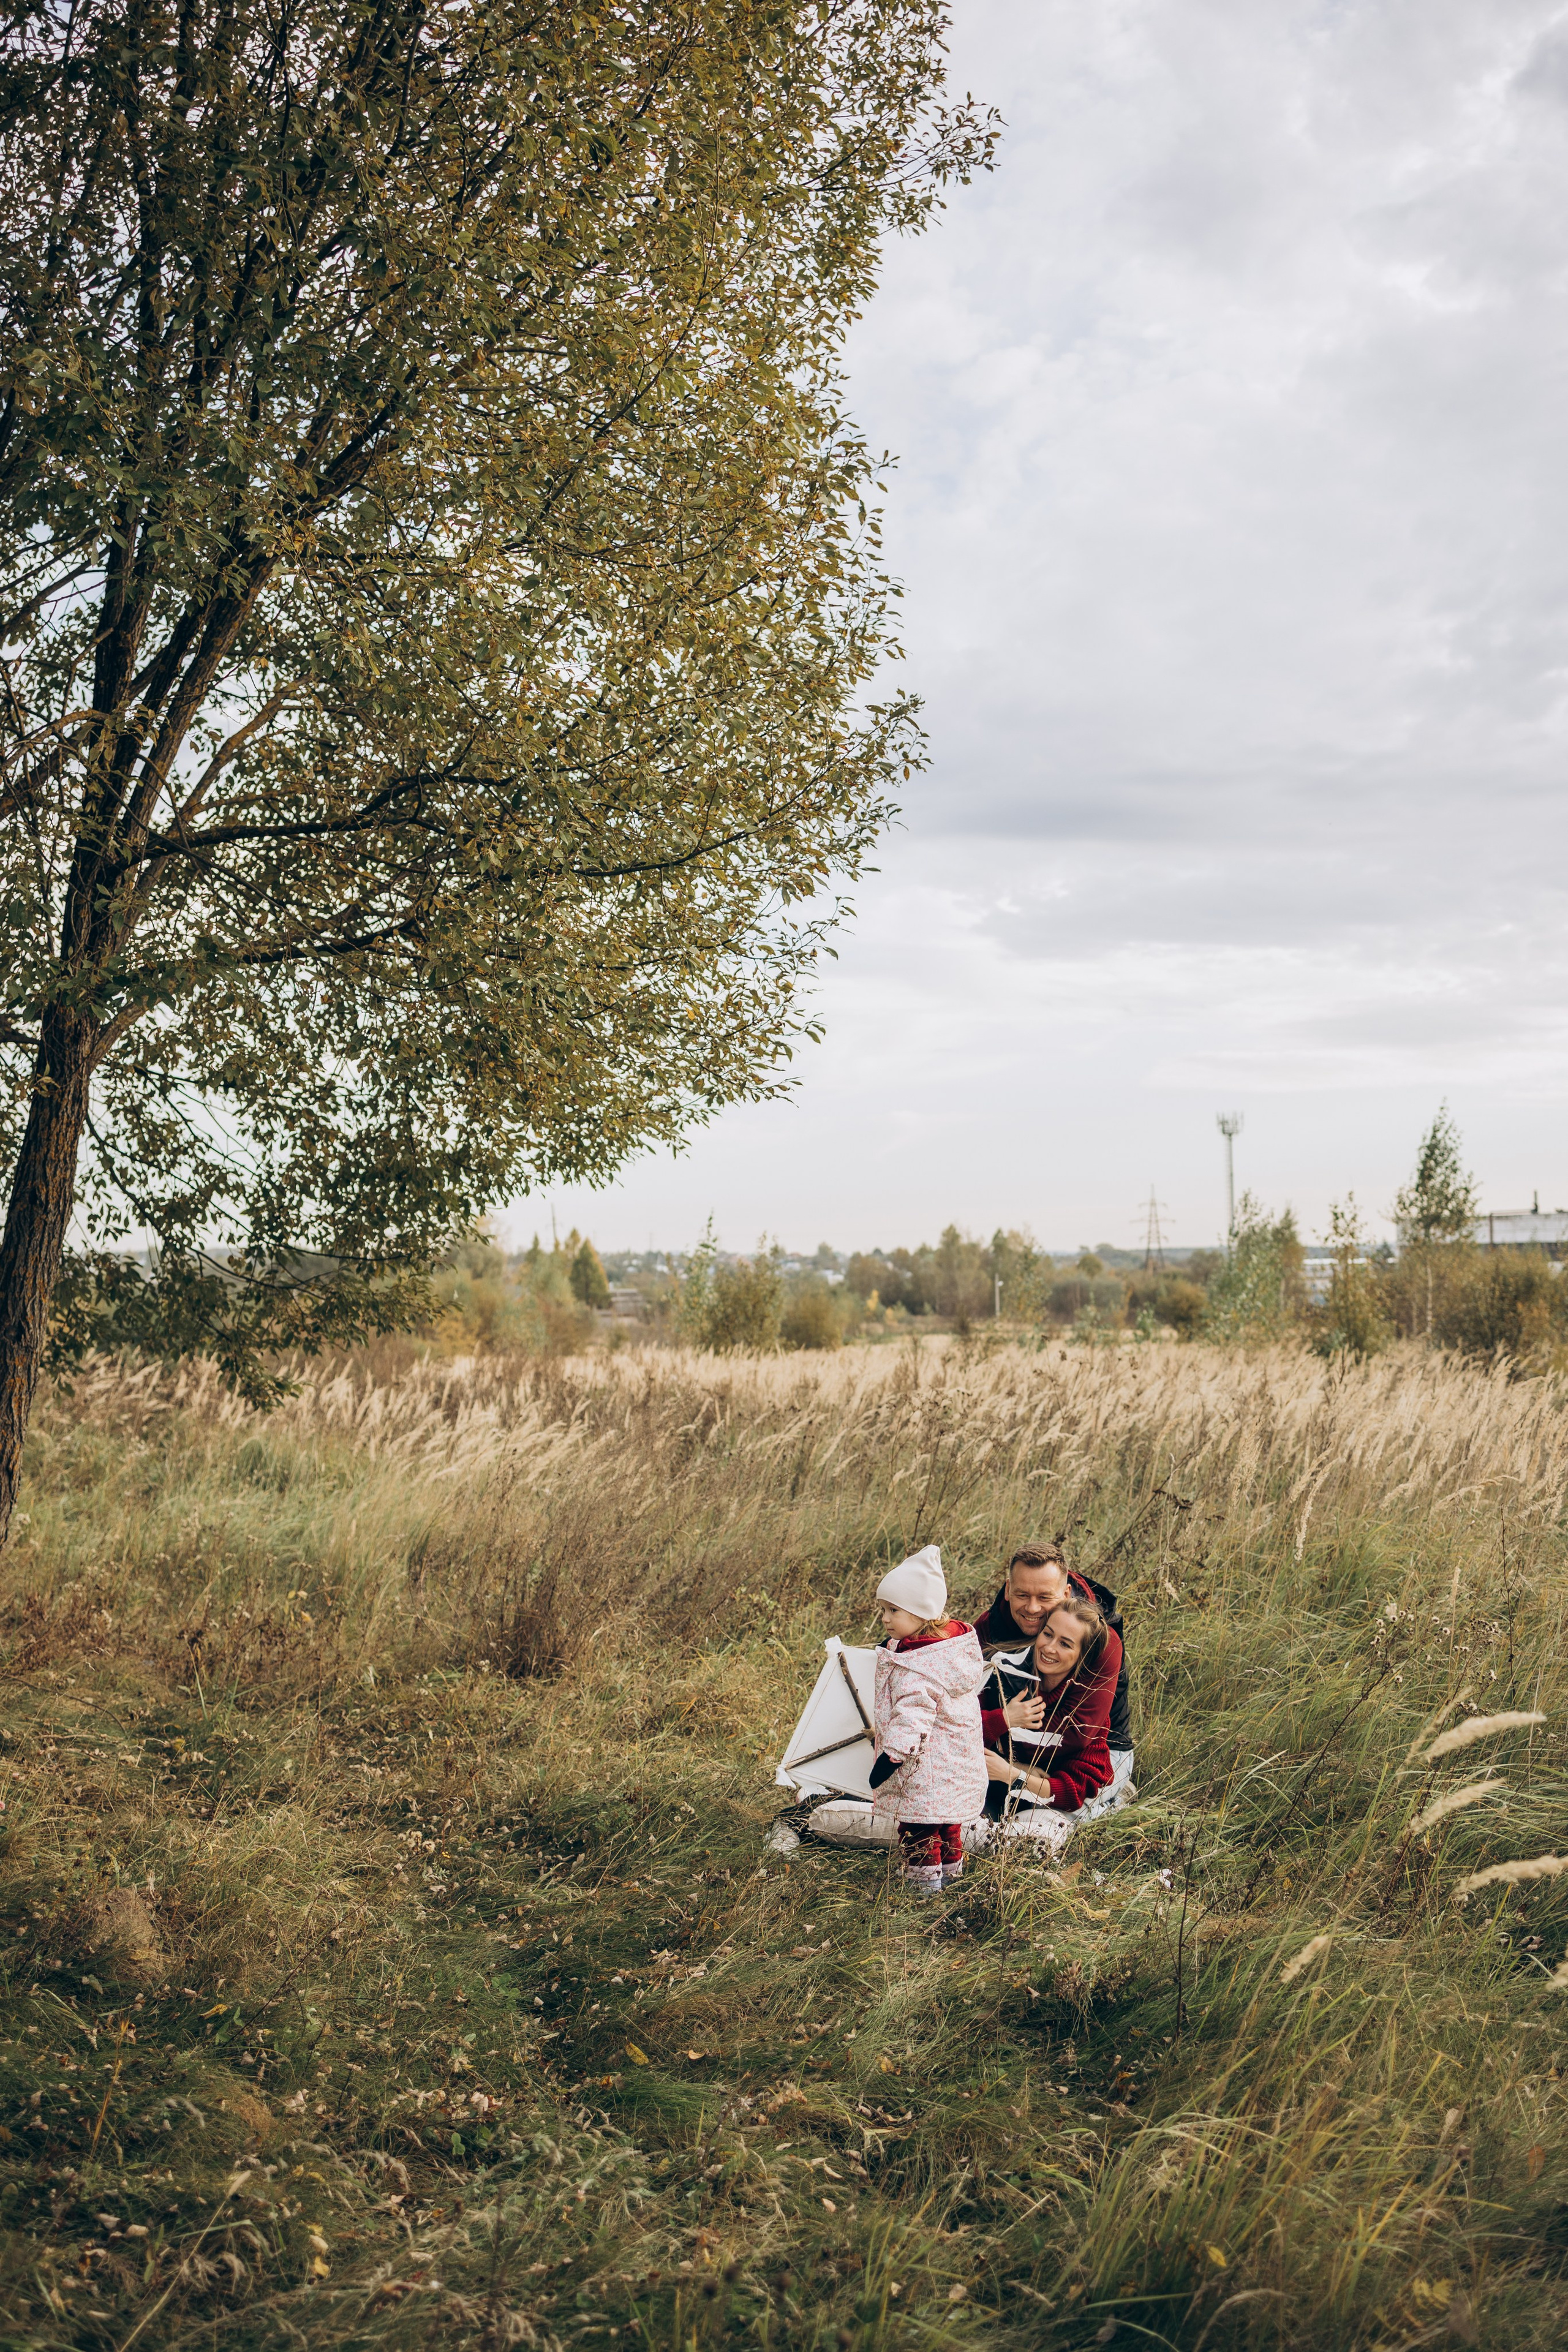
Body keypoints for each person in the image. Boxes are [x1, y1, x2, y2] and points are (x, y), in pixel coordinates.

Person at [974, 1542, 1135, 1811]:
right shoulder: (989, 1628)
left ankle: (1114, 1799)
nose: (1032, 1608)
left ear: (1066, 1593)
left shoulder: (1101, 1640)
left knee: (1045, 1817)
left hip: (1099, 1753)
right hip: (1013, 1749)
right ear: (1008, 1589)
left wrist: (1011, 1766)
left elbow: (1076, 1735)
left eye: (1045, 1597)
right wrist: (1010, 1754)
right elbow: (961, 1708)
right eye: (1022, 1595)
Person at [866, 1545, 987, 1892]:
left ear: (922, 1614)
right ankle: (951, 1877)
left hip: (924, 1771)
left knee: (918, 1831)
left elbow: (913, 1719)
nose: (885, 1618)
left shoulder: (918, 1668)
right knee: (948, 1826)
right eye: (883, 1610)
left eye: (893, 1610)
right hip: (955, 1769)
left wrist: (891, 1757)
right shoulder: (951, 1652)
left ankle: (924, 1891)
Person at [978, 1593, 1120, 1837]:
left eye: (1065, 1644)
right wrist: (1004, 1719)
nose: (1049, 1648)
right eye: (1048, 1634)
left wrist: (1012, 1773)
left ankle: (1112, 1803)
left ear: (1082, 1656)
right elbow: (958, 1730)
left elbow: (1070, 1792)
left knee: (1034, 1834)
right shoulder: (1004, 1673)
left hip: (1045, 1799)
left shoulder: (1083, 1711)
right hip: (996, 1789)